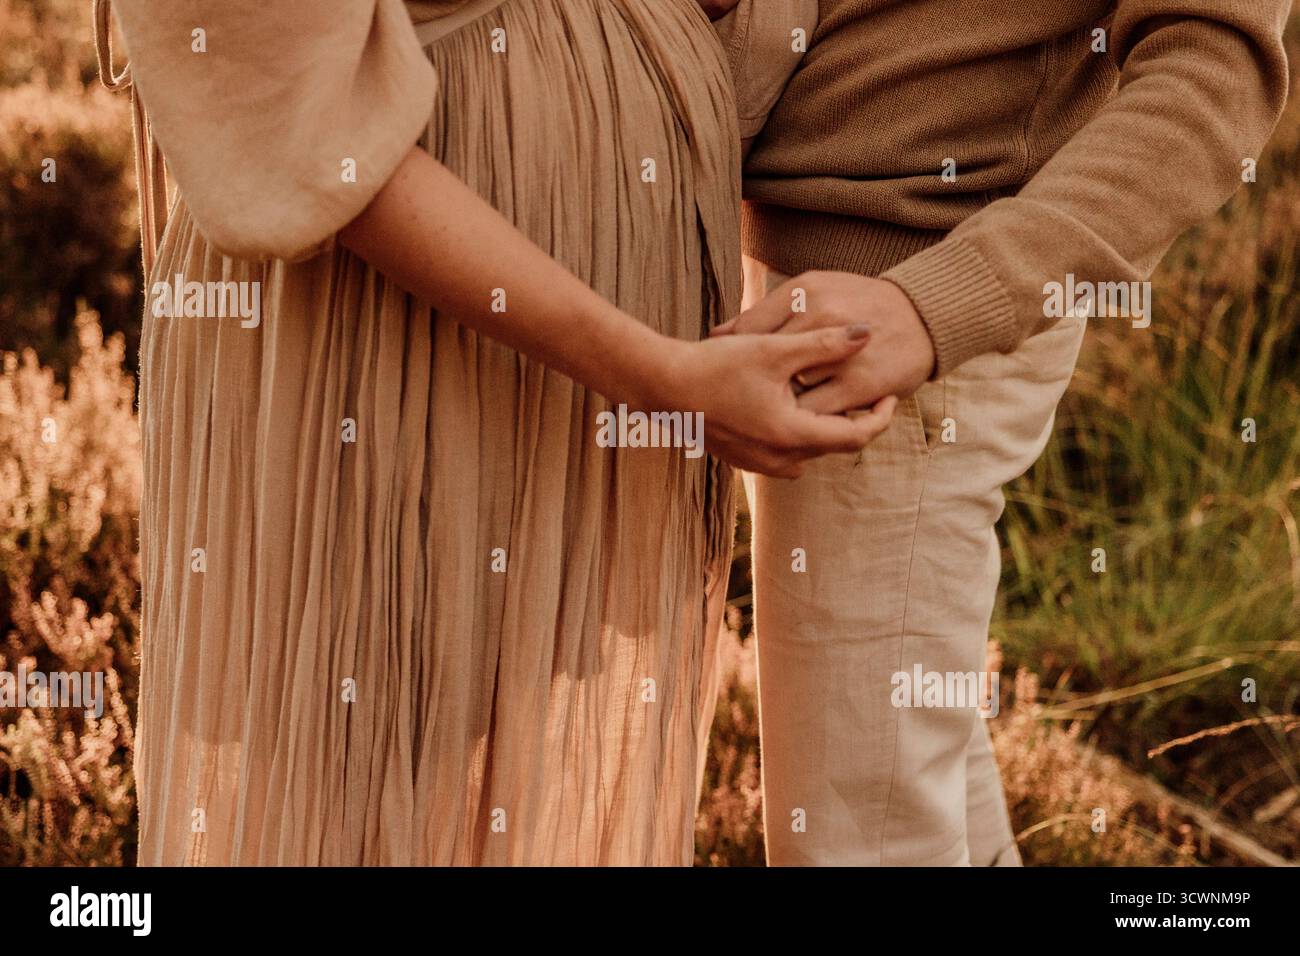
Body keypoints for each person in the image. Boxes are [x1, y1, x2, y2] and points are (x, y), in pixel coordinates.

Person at [99, 0, 897, 865]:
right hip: (374, 343)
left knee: (508, 789)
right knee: (352, 787)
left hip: (607, 384)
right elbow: (293, 103)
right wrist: (660, 379)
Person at [719, 0, 1290, 865]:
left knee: (862, 837)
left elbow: (1213, 71)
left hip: (902, 312)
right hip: (837, 282)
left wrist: (936, 303)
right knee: (901, 765)